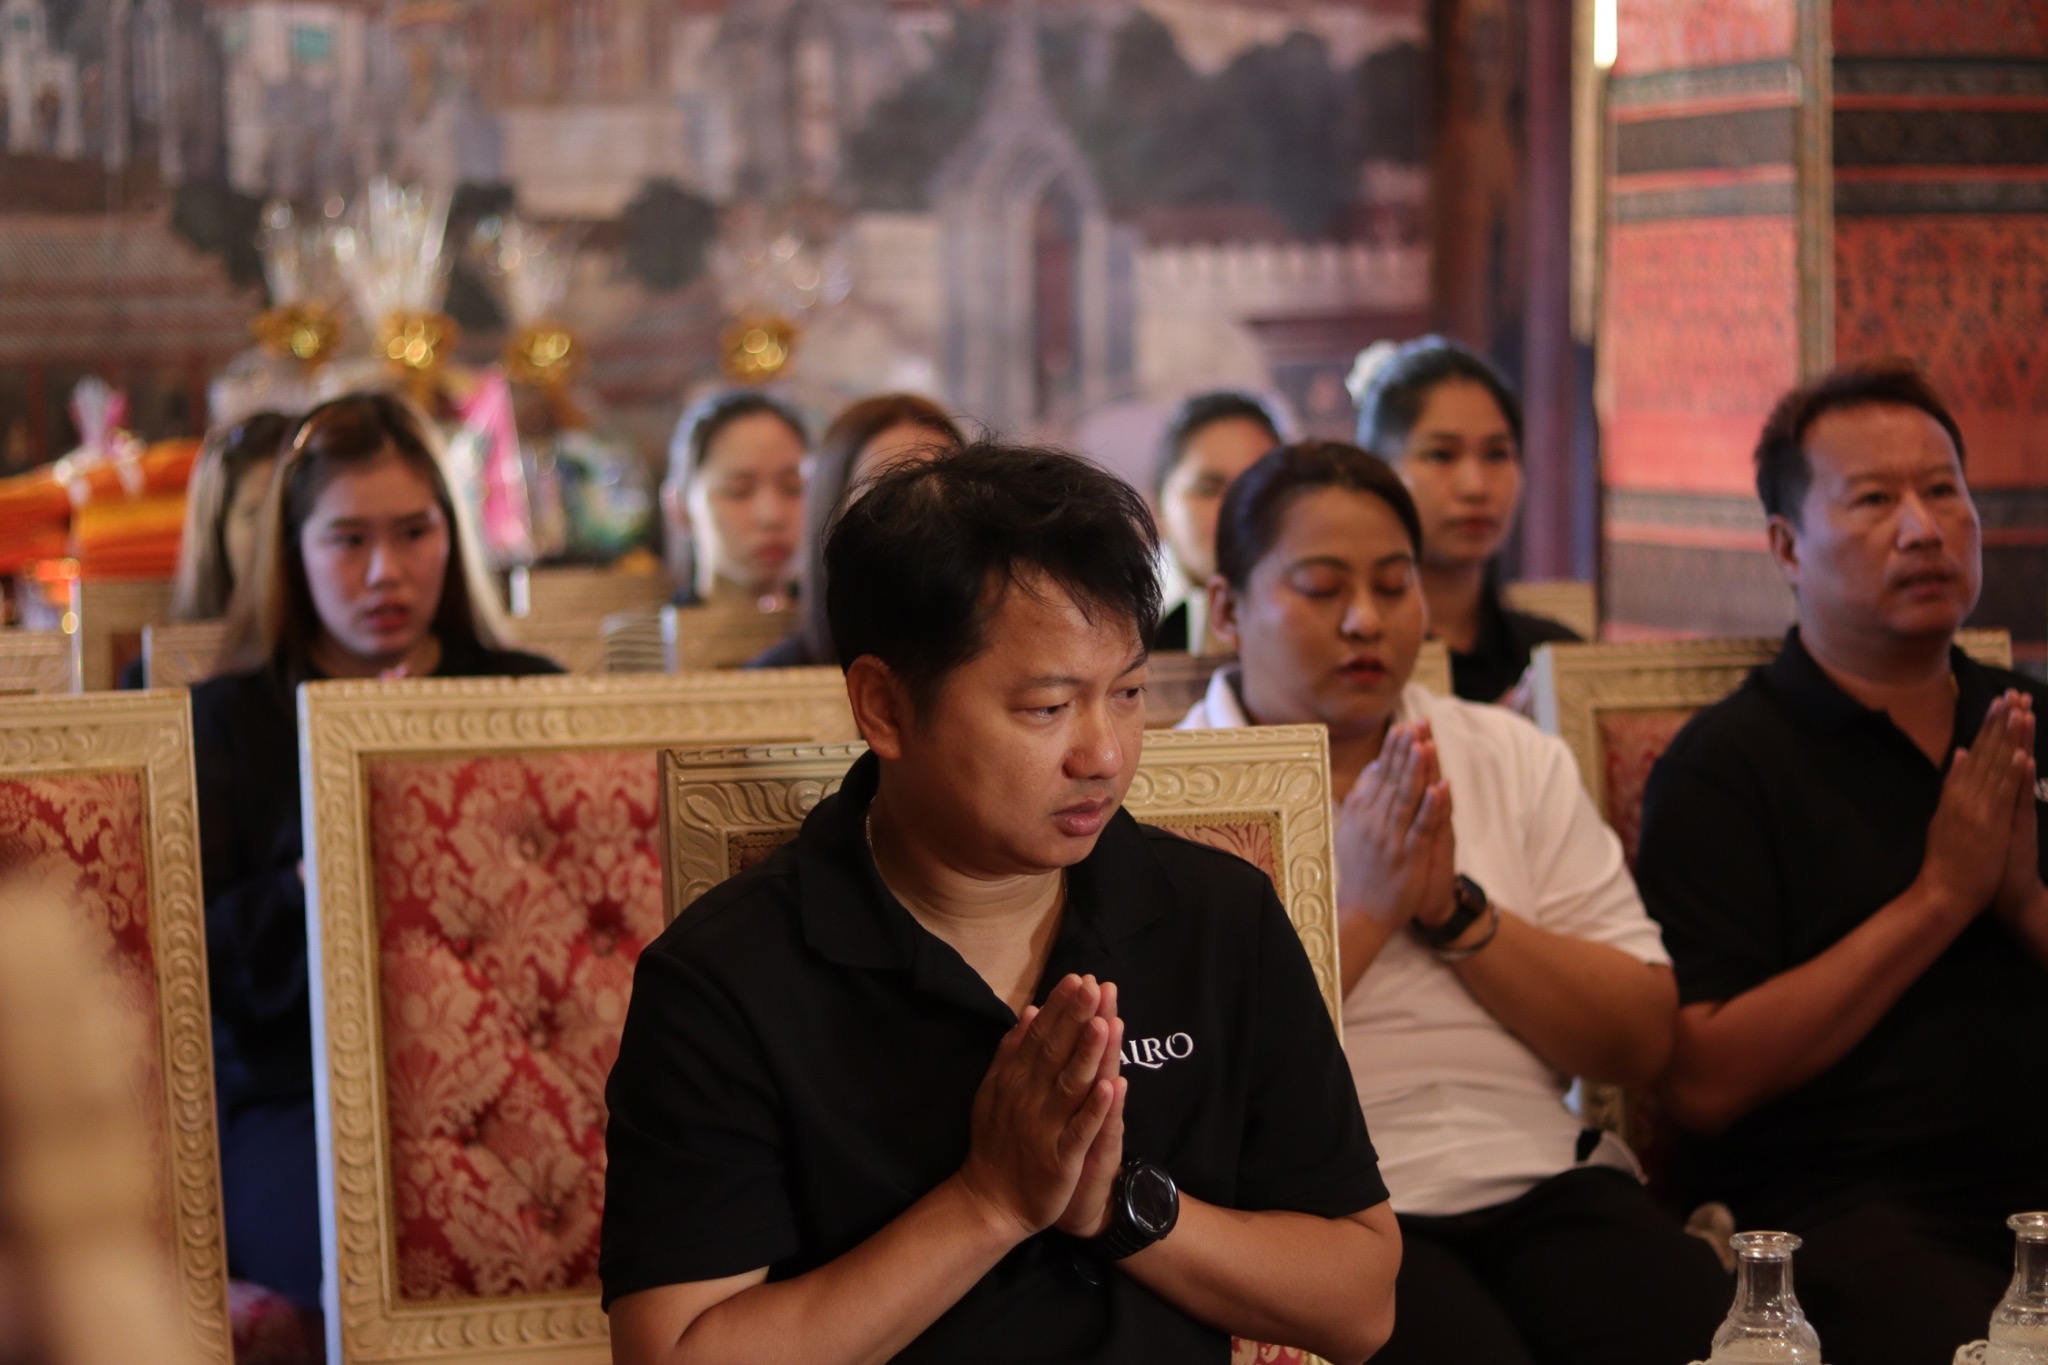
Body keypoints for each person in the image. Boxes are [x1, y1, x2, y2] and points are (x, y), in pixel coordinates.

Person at [602, 443, 1399, 1365]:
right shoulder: (727, 976)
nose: (1102, 753)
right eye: (1047, 708)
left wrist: (1117, 1206)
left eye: (1129, 693)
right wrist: (988, 1202)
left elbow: (1360, 1300)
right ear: (885, 708)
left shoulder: (1216, 915)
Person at [1180, 440, 1728, 1364]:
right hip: (1328, 1208)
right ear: (1228, 609)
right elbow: (1192, 1088)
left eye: (1396, 585)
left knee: (1707, 1333)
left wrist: (1457, 914)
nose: (1366, 619)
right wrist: (1368, 908)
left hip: (1539, 1171)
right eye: (1321, 587)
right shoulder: (1182, 793)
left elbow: (1641, 1040)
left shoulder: (1506, 755)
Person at [1637, 362, 2048, 1365]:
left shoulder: (2023, 720)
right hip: (1853, 1213)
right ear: (1784, 544)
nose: (1920, 528)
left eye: (1941, 490)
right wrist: (1938, 898)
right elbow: (1701, 1081)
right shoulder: (1725, 765)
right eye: (1872, 500)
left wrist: (2025, 903)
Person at [193, 393, 560, 1313]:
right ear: (293, 551)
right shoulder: (229, 722)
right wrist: (317, 876)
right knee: (380, 1241)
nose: (385, 570)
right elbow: (187, 959)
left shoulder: (528, 694)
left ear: (453, 534)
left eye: (414, 532)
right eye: (347, 539)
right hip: (298, 1099)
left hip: (523, 1079)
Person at [1355, 337, 1579, 703]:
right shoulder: (1360, 664)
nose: (1475, 487)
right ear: (1379, 471)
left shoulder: (1553, 659)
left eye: (1497, 454)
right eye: (1441, 455)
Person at [750, 392, 965, 668]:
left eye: (943, 487)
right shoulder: (770, 683)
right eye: (886, 492)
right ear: (834, 510)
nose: (922, 512)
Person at [117, 411, 294, 688]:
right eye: (258, 516)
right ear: (217, 531)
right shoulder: (156, 680)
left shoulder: (355, 662)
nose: (279, 534)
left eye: (294, 512)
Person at [1152, 391, 1284, 654]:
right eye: (1208, 489)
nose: (1236, 508)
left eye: (1257, 487)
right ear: (1159, 507)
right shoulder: (1115, 613)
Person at [660, 391, 808, 610]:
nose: (772, 516)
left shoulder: (842, 637)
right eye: (739, 491)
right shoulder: (651, 641)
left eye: (792, 488)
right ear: (679, 507)